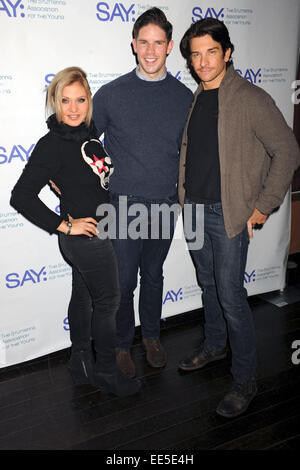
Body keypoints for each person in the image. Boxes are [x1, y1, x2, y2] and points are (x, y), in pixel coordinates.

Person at [177, 18, 300, 418]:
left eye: (211, 51)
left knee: (231, 296)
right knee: (208, 283)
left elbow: (287, 152)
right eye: (196, 54)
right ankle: (215, 346)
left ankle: (245, 379)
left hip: (226, 215)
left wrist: (263, 206)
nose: (203, 61)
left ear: (227, 52)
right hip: (193, 207)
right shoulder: (197, 95)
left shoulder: (249, 97)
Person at [10, 67, 140, 397]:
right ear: (55, 101)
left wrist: (68, 192)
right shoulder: (52, 143)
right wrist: (65, 225)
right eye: (65, 100)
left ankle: (80, 363)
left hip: (96, 230)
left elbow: (89, 178)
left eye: (80, 99)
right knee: (109, 302)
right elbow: (21, 195)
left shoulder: (88, 133)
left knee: (83, 299)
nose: (73, 108)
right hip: (84, 238)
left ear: (89, 101)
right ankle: (107, 372)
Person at [92, 8, 193, 378]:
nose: (151, 51)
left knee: (153, 274)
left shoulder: (185, 98)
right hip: (121, 205)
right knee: (123, 281)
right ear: (134, 45)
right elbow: (85, 144)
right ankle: (122, 344)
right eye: (144, 42)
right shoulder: (112, 94)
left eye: (159, 43)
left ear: (169, 48)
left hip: (166, 204)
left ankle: (151, 336)